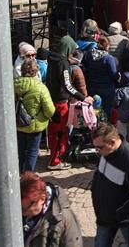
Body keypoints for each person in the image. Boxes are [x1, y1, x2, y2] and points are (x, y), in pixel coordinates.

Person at [90, 123, 129, 247]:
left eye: (99, 148)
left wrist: (120, 213)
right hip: (104, 216)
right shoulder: (105, 152)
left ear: (112, 142)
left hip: (125, 219)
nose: (97, 152)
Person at [46, 34, 89, 170]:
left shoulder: (52, 60)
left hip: (52, 100)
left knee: (53, 132)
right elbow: (67, 85)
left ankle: (55, 157)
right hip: (60, 103)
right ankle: (55, 161)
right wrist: (83, 97)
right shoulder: (63, 63)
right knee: (60, 132)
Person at [21, 171, 83, 247]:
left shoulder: (63, 218)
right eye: (20, 208)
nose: (22, 213)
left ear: (42, 199)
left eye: (25, 209)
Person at [15, 60, 55, 172]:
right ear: (36, 71)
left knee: (21, 149)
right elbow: (49, 110)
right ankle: (28, 174)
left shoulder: (13, 85)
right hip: (35, 124)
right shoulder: (40, 87)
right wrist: (46, 116)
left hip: (18, 123)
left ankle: (20, 171)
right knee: (32, 151)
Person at [83, 37, 120, 121]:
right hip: (106, 88)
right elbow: (113, 73)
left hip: (92, 86)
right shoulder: (108, 58)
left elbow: (85, 67)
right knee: (106, 110)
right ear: (107, 46)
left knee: (94, 109)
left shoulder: (89, 54)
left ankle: (94, 124)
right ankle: (104, 125)